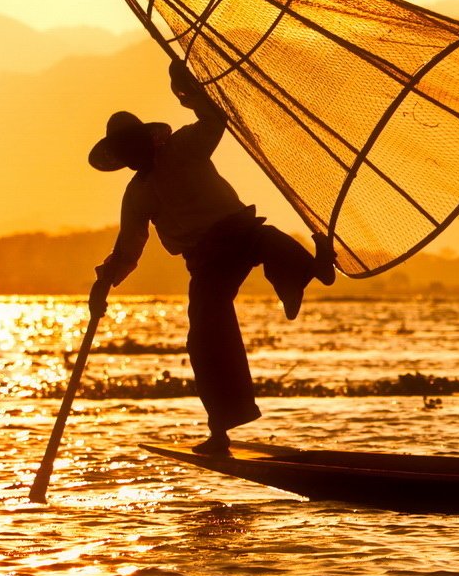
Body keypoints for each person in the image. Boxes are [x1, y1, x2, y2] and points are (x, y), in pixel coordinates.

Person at [90, 62, 335, 455]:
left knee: (266, 241)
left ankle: (308, 271)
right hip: (206, 260)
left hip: (237, 231)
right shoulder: (137, 194)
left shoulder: (184, 147)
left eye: (132, 146)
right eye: (123, 153)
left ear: (145, 141)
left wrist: (187, 91)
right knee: (205, 336)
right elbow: (129, 247)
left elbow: (214, 117)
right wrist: (104, 281)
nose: (131, 156)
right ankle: (221, 428)